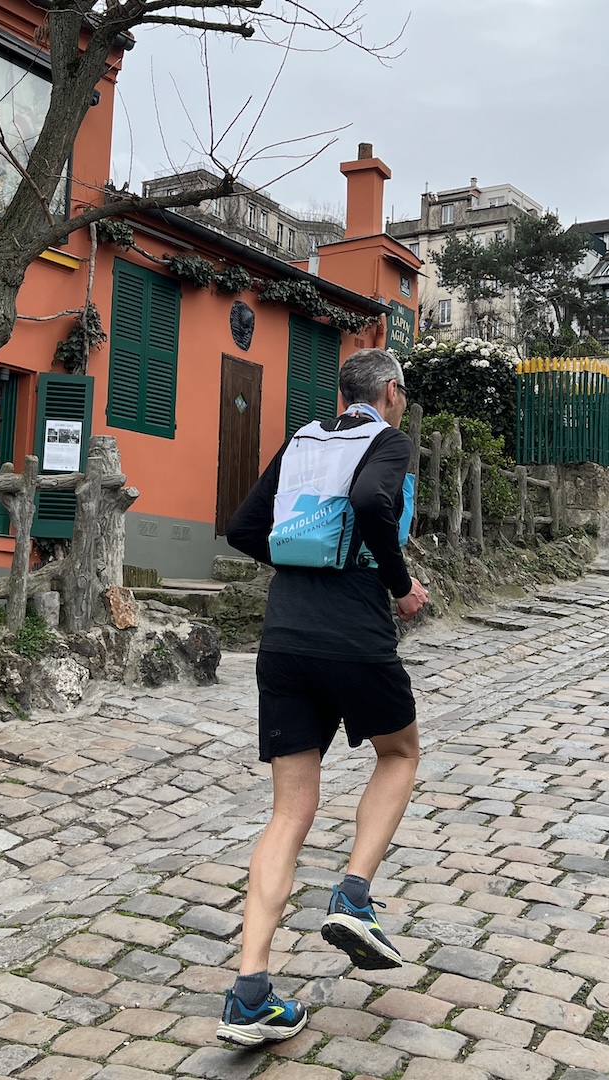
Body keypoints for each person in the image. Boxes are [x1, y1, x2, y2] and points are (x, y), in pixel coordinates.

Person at [216, 348, 429, 1047]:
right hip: (353, 635)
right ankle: (354, 897)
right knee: (399, 754)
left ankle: (250, 993)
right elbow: (370, 502)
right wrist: (398, 587)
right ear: (391, 393)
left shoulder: (301, 440)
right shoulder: (389, 441)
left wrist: (305, 564)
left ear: (344, 394)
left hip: (282, 639)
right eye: (403, 392)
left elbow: (245, 528)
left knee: (289, 812)